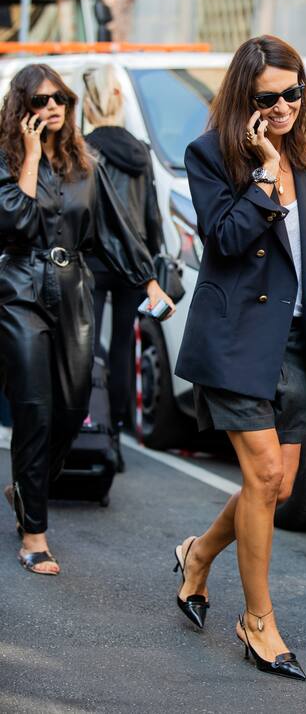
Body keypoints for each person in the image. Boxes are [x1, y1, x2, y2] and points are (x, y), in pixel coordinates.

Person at [174, 35, 306, 680]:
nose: (283, 107)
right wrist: (260, 169)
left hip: (298, 339)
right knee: (264, 472)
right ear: (244, 98)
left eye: (293, 93)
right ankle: (258, 621)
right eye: (268, 97)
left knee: (271, 487)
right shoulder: (212, 156)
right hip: (237, 338)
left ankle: (197, 555)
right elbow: (222, 239)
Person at [0, 63, 174, 575]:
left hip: (74, 289)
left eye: (61, 99)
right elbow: (14, 223)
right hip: (19, 290)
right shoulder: (8, 160)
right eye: (41, 100)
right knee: (34, 407)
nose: (53, 106)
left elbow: (116, 232)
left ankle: (24, 488)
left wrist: (148, 281)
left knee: (74, 408)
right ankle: (35, 532)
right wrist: (31, 158)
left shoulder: (87, 165)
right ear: (22, 109)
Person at [83, 65, 164, 469]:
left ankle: (92, 430)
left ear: (88, 102)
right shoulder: (140, 151)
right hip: (133, 263)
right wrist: (151, 263)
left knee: (87, 346)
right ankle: (115, 433)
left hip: (92, 260)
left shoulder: (82, 149)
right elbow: (151, 214)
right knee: (121, 348)